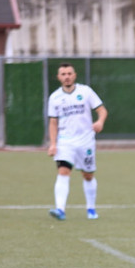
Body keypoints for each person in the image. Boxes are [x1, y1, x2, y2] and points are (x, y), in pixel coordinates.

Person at [46, 63, 108, 221]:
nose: (66, 76)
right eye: (63, 74)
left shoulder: (85, 91)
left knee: (87, 175)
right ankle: (60, 209)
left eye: (69, 73)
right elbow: (53, 122)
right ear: (58, 77)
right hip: (65, 142)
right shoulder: (54, 98)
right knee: (63, 171)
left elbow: (102, 110)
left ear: (74, 75)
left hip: (86, 141)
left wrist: (100, 122)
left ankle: (91, 209)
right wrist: (53, 144)